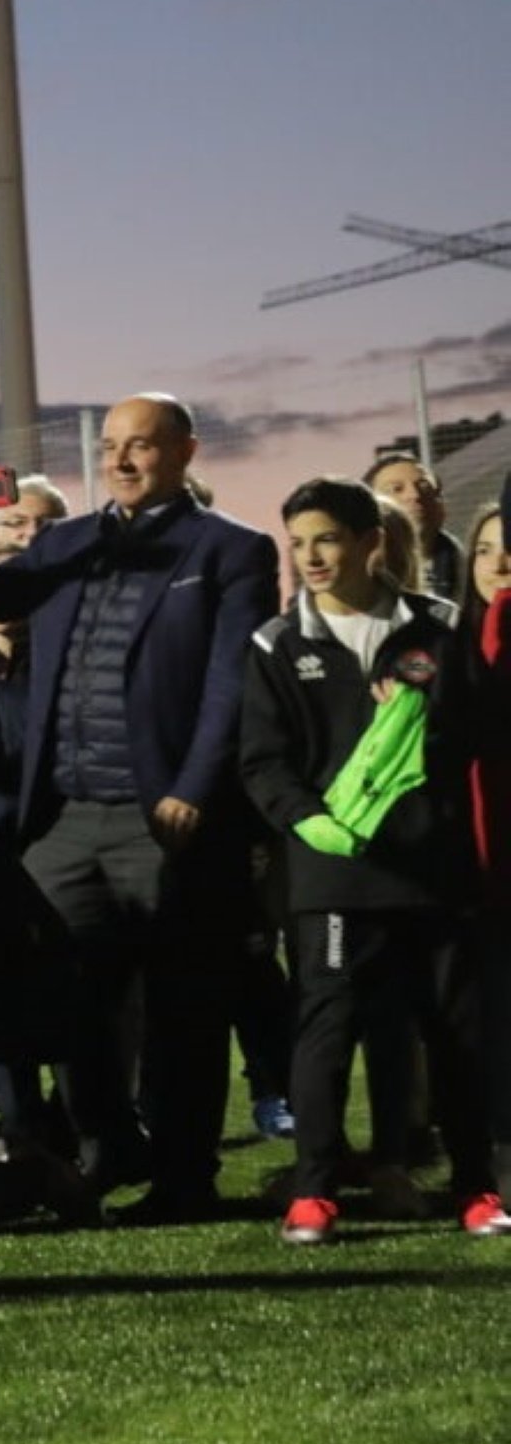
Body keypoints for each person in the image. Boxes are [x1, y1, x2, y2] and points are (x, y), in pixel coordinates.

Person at [0, 396, 281, 1220]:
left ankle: (185, 1180)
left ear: (183, 452)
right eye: (111, 446)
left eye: (140, 446)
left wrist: (192, 786)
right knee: (58, 996)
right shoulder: (69, 541)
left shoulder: (234, 552)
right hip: (66, 815)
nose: (120, 460)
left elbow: (230, 685)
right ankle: (110, 1145)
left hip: (168, 819)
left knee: (185, 1010)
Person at [238, 477, 494, 1244]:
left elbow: (478, 735)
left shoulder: (438, 628)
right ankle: (314, 1193)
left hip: (431, 871)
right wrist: (308, 821)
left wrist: (421, 724)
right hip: (333, 877)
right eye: (299, 544)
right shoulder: (275, 643)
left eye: (326, 539)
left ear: (368, 542)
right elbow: (261, 762)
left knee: (453, 1030)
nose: (311, 558)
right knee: (327, 1027)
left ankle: (476, 1186)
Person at [366, 454, 462, 603]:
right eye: (396, 489)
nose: (415, 495)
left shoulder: (474, 573)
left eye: (425, 487)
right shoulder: (353, 578)